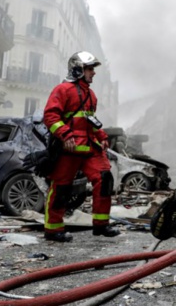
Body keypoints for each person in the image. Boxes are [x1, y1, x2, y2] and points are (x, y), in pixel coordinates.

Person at [42, 51, 119, 242]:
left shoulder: (91, 95)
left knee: (104, 178)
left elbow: (88, 120)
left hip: (89, 147)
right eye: (90, 68)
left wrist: (101, 135)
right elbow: (50, 116)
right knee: (61, 188)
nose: (93, 72)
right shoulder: (63, 90)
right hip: (69, 149)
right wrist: (64, 135)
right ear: (78, 70)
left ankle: (101, 225)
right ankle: (53, 229)